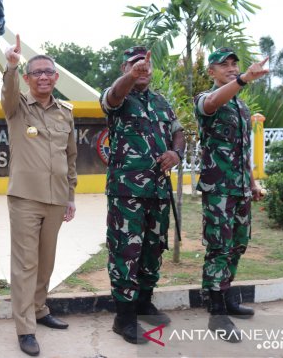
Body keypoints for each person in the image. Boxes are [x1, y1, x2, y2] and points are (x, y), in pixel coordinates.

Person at [100, 46, 186, 345]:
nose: (143, 68)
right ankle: (123, 316)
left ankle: (144, 302)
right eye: (136, 64)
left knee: (153, 249)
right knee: (126, 251)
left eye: (147, 64)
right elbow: (112, 97)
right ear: (125, 68)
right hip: (127, 193)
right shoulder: (118, 98)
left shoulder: (161, 102)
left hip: (158, 190)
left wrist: (176, 152)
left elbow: (178, 131)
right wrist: (129, 77)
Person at [2, 34, 77, 357]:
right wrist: (11, 68)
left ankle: (40, 309)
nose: (44, 77)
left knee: (46, 262)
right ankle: (25, 328)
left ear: (56, 77)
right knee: (25, 264)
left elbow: (70, 157)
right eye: (37, 73)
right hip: (25, 198)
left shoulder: (65, 112)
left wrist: (71, 196)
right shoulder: (17, 106)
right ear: (29, 78)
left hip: (57, 197)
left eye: (49, 72)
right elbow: (7, 93)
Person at [194, 47, 269, 343]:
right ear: (211, 72)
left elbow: (243, 152)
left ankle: (225, 296)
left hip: (239, 188)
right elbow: (213, 100)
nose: (230, 67)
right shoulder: (205, 99)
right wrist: (244, 78)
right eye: (222, 64)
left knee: (238, 243)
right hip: (218, 189)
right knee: (218, 245)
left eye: (233, 63)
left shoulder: (241, 107)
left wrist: (252, 184)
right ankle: (216, 312)